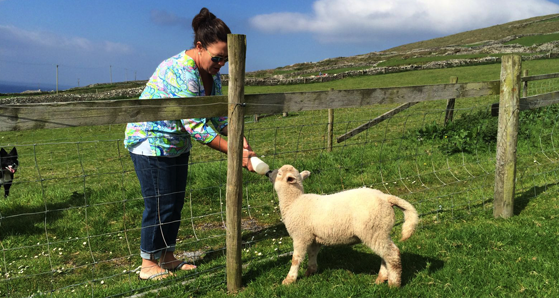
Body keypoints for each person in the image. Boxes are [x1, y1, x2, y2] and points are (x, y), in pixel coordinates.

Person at [124, 7, 256, 281]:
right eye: (217, 58)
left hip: (175, 144)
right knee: (159, 203)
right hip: (150, 141)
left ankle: (167, 256)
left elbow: (219, 116)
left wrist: (240, 140)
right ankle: (148, 264)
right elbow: (195, 126)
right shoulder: (180, 71)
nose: (221, 64)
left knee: (175, 202)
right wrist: (234, 151)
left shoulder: (213, 75)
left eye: (225, 60)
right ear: (199, 46)